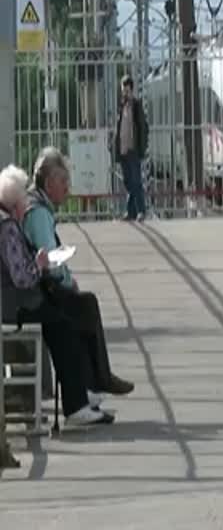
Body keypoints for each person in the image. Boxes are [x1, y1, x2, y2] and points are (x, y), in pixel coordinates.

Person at [0, 164, 114, 426]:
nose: (24, 207)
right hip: (14, 305)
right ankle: (76, 404)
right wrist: (39, 264)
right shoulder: (7, 228)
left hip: (12, 301)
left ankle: (79, 395)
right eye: (22, 202)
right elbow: (22, 278)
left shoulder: (7, 222)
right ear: (14, 201)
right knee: (63, 325)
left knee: (63, 317)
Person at [22, 147, 135, 403]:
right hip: (38, 291)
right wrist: (66, 280)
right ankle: (97, 381)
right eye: (63, 182)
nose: (67, 188)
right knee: (83, 307)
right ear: (49, 183)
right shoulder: (38, 213)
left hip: (34, 287)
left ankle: (89, 385)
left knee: (82, 307)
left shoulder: (35, 205)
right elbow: (49, 257)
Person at [115, 74, 149, 222]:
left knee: (136, 181)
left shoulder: (136, 105)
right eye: (123, 90)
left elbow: (143, 127)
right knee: (128, 182)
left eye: (127, 90)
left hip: (133, 149)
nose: (125, 93)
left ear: (132, 90)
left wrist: (142, 147)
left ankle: (140, 210)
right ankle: (132, 212)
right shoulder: (121, 106)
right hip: (123, 149)